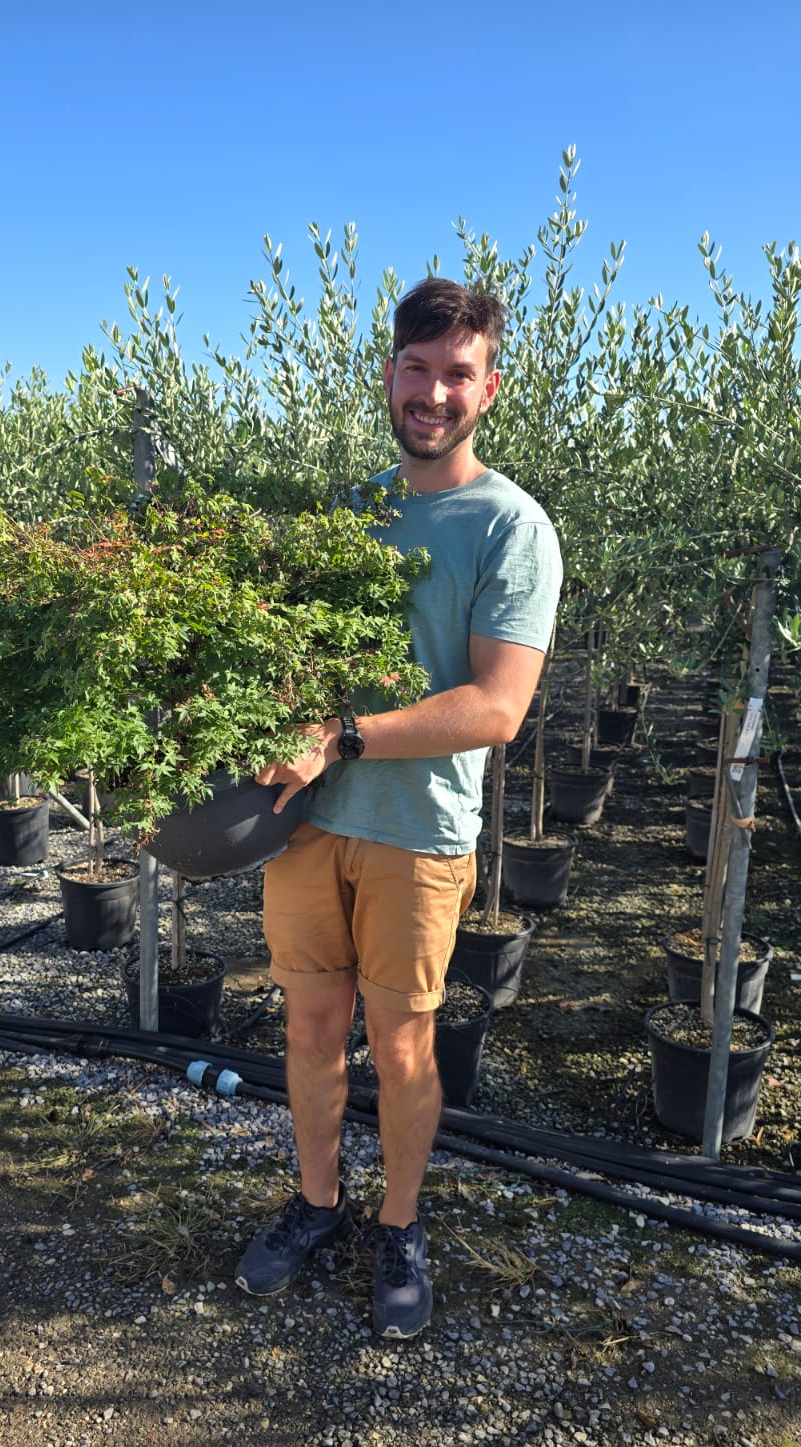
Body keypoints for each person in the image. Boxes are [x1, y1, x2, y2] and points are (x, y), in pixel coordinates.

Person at [235, 277, 563, 1338]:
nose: (433, 392)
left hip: (416, 833)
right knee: (311, 1028)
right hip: (308, 821)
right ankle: (320, 1201)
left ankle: (401, 1224)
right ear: (389, 374)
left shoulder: (512, 528)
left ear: (489, 388)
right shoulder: (350, 510)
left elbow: (498, 704)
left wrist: (344, 737)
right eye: (416, 369)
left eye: (456, 373)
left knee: (405, 1042)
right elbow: (298, 663)